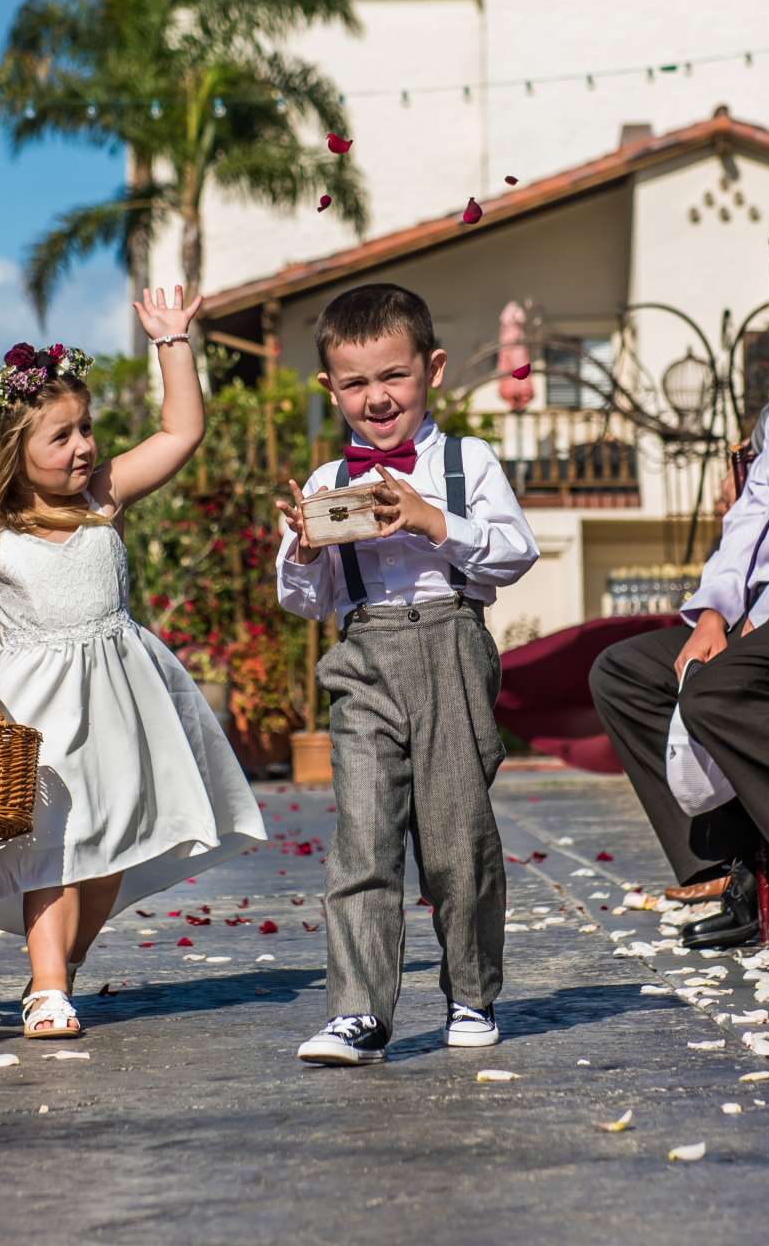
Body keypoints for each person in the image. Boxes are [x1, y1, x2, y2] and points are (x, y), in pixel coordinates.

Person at [0, 296, 266, 1040]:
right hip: (36, 713)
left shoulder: (103, 501)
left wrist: (173, 341)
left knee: (106, 854)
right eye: (61, 436)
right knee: (49, 847)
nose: (83, 448)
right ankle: (47, 984)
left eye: (86, 429)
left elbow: (181, 431)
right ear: (12, 451)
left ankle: (61, 964)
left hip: (121, 701)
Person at [276, 283, 539, 1066]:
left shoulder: (467, 461)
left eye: (393, 376)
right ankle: (359, 1013)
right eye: (354, 384)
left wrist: (432, 519)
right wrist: (306, 548)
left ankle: (471, 992)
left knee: (458, 841)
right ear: (330, 388)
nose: (376, 397)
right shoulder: (329, 477)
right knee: (362, 840)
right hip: (364, 654)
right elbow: (305, 600)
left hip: (451, 644)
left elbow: (515, 550)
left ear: (432, 370)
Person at [588, 199, 769, 949]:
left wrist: (760, 619)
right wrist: (712, 612)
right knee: (626, 673)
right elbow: (752, 511)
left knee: (723, 686)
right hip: (757, 601)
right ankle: (726, 860)